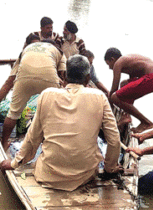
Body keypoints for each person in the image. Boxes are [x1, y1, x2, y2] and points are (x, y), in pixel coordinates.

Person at [0, 55, 121, 191]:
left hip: (48, 175)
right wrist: (110, 168)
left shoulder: (47, 94)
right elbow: (114, 140)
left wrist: (15, 163)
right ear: (88, 78)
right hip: (84, 175)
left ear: (64, 76)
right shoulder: (99, 97)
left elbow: (33, 136)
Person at [0, 40, 66, 151]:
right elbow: (63, 75)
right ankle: (53, 144)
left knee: (13, 113)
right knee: (56, 112)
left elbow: (9, 82)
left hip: (24, 78)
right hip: (48, 78)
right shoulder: (59, 52)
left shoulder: (27, 49)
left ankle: (4, 143)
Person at [0, 17, 61, 102]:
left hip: (48, 64)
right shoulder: (34, 36)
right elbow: (24, 49)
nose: (50, 30)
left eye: (51, 28)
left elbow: (58, 53)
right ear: (41, 28)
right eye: (47, 28)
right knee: (10, 82)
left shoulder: (56, 37)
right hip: (30, 63)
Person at [104, 47, 153, 133]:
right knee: (124, 84)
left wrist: (107, 105)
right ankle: (126, 116)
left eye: (108, 64)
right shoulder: (129, 61)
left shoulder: (118, 63)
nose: (109, 68)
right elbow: (129, 90)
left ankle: (146, 122)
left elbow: (114, 89)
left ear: (112, 59)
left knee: (114, 97)